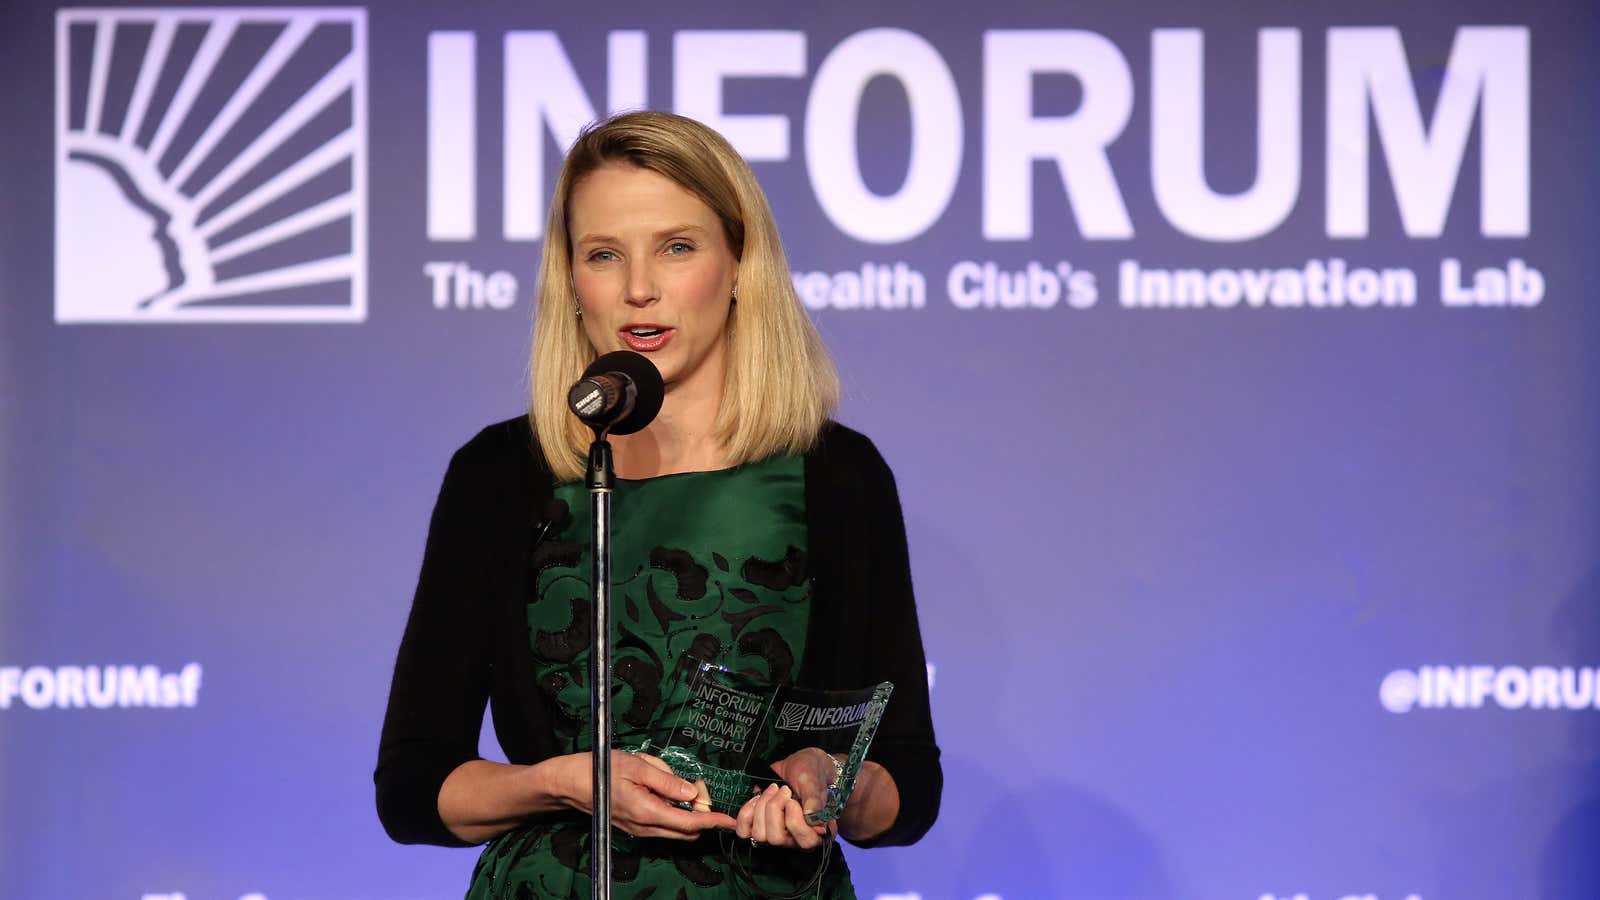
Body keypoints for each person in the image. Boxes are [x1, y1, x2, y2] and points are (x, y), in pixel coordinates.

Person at [375, 110, 940, 898]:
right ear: (571, 279)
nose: (640, 287)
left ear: (740, 262)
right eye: (604, 254)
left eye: (678, 247)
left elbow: (909, 781)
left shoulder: (837, 476)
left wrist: (831, 782)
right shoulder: (500, 474)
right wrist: (567, 782)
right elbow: (412, 786)